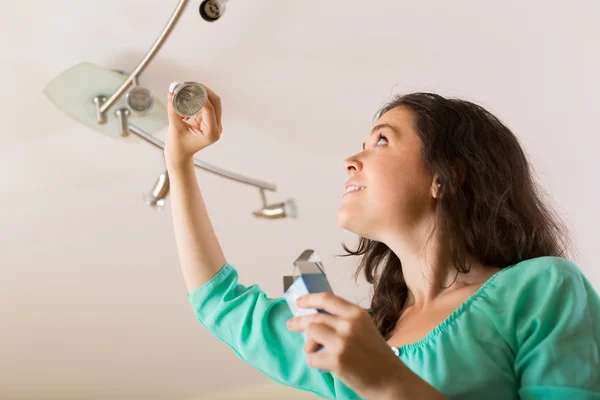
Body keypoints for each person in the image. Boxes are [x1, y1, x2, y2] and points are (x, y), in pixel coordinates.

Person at [163, 82, 600, 400]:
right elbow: (218, 302)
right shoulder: (361, 339)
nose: (350, 161)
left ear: (444, 177)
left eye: (382, 141)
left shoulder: (542, 290)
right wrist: (179, 163)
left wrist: (386, 380)